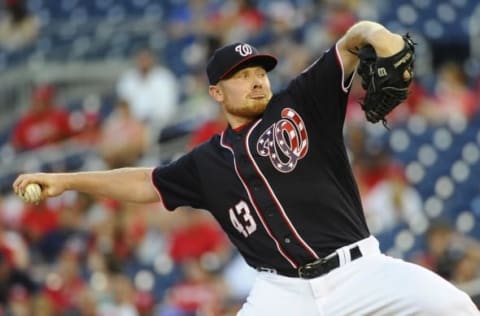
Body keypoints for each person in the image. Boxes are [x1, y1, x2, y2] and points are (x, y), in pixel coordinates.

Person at [13, 21, 479, 315]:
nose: (257, 79)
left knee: (456, 306)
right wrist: (65, 180)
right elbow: (145, 182)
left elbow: (352, 40)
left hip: (359, 271)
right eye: (243, 75)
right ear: (217, 92)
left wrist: (379, 35)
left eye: (260, 71)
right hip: (283, 294)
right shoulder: (206, 161)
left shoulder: (302, 102)